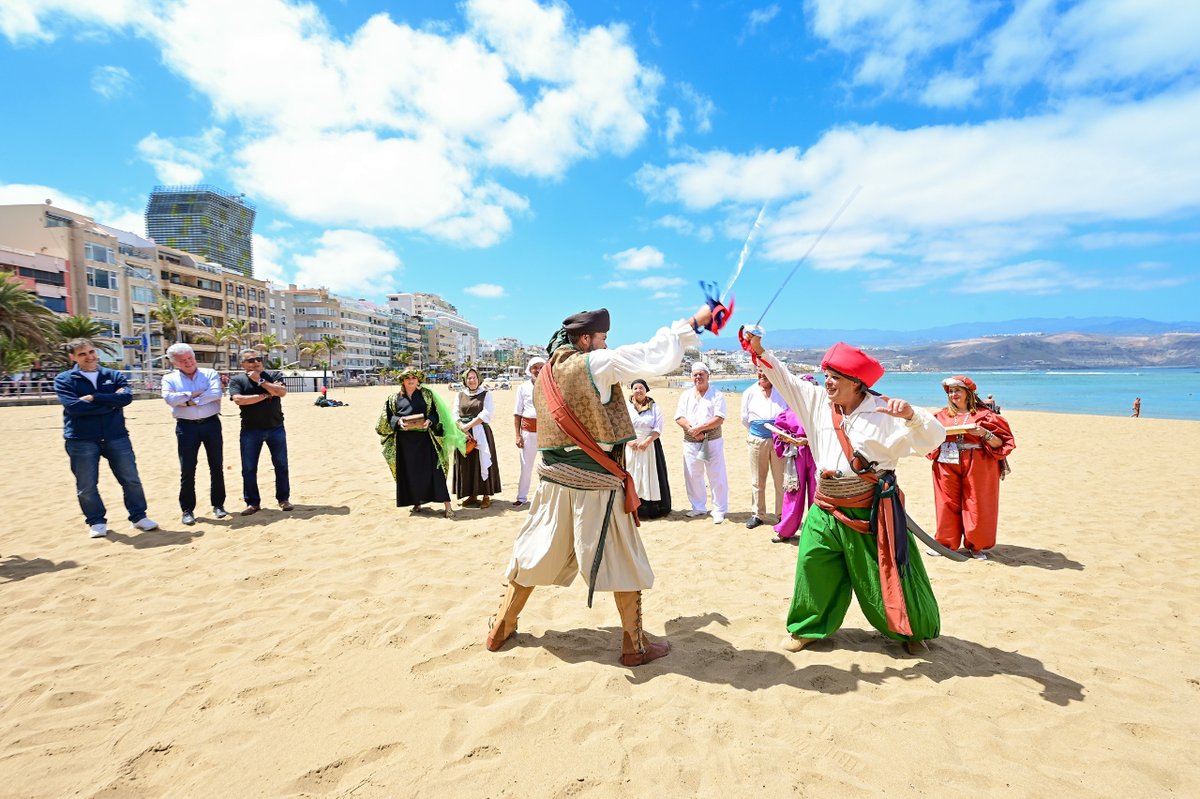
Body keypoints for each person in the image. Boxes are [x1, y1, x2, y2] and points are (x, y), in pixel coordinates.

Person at [487, 304, 714, 667]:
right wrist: (694, 323)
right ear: (586, 339)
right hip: (596, 485)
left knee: (531, 553)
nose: (607, 344)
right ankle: (634, 646)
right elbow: (653, 356)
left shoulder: (545, 372)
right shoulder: (595, 363)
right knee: (624, 560)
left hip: (552, 484)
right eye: (603, 338)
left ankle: (501, 626)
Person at [743, 333, 945, 655]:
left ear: (856, 383)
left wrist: (910, 416)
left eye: (835, 377)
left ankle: (910, 631)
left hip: (868, 511)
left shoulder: (886, 412)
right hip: (824, 507)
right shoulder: (816, 402)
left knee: (884, 573)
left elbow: (934, 438)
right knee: (813, 564)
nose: (828, 383)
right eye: (826, 376)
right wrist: (759, 351)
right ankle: (807, 628)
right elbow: (783, 377)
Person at [54, 338, 158, 538]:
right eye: (82, 354)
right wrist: (111, 402)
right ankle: (97, 521)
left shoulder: (112, 374)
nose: (89, 357)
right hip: (81, 439)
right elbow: (74, 408)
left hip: (116, 436)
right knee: (86, 485)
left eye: (91, 352)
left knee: (131, 479)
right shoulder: (65, 379)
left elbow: (126, 398)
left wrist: (94, 397)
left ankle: (138, 517)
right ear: (72, 357)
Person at [929, 375, 1016, 560]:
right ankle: (946, 544)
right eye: (950, 392)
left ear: (968, 393)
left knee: (977, 502)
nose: (953, 395)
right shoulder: (941, 416)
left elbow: (1001, 443)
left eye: (957, 390)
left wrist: (984, 433)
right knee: (946, 502)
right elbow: (927, 439)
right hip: (946, 461)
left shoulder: (986, 416)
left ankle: (976, 546)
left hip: (978, 462)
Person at [376, 368, 464, 519]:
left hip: (425, 440)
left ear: (418, 380)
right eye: (407, 378)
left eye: (413, 378)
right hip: (404, 444)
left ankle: (447, 505)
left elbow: (436, 413)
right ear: (402, 381)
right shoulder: (393, 398)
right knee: (410, 474)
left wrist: (430, 420)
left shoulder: (426, 395)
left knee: (436, 472)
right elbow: (387, 418)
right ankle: (417, 502)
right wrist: (398, 421)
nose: (411, 380)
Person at [161, 342, 227, 525]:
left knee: (216, 466)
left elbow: (215, 393)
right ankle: (187, 510)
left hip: (211, 424)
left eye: (190, 358)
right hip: (186, 427)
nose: (188, 362)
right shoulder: (169, 378)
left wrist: (186, 399)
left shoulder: (210, 373)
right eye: (183, 360)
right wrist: (197, 395)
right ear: (175, 363)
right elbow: (169, 399)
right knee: (187, 469)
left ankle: (219, 505)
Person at [228, 349, 292, 515]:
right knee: (249, 468)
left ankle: (283, 499)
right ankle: (252, 502)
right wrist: (266, 394)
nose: (256, 362)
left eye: (259, 359)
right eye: (250, 360)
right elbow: (239, 400)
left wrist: (260, 380)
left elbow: (282, 392)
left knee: (281, 465)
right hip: (250, 430)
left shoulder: (274, 375)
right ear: (242, 364)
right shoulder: (237, 380)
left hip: (276, 427)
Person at [674, 362, 729, 524]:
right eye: (695, 375)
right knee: (693, 474)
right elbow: (679, 416)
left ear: (708, 376)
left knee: (716, 475)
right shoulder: (685, 395)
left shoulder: (717, 394)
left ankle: (719, 510)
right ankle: (698, 506)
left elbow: (719, 418)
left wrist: (700, 428)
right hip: (691, 440)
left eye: (701, 374)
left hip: (712, 440)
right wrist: (692, 429)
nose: (698, 377)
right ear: (692, 377)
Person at [741, 369, 789, 529]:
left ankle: (781, 514)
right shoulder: (749, 392)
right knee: (757, 480)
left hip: (779, 440)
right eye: (760, 372)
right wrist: (759, 432)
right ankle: (758, 514)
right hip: (757, 439)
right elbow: (745, 419)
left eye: (766, 372)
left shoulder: (782, 392)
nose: (763, 375)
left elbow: (789, 414)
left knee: (780, 480)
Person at [454, 367, 501, 508]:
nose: (472, 380)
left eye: (474, 377)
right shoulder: (460, 395)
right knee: (467, 463)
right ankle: (472, 495)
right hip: (463, 433)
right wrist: (462, 427)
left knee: (483, 461)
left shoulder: (486, 394)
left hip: (481, 432)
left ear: (478, 378)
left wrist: (469, 426)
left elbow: (486, 413)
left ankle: (486, 495)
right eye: (469, 378)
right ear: (465, 380)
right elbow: (454, 413)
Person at [625, 378, 672, 519]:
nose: (638, 390)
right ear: (632, 391)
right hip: (630, 445)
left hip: (649, 445)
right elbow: (620, 425)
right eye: (635, 388)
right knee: (632, 474)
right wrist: (628, 441)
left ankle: (648, 509)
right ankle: (630, 507)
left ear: (646, 390)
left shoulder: (654, 406)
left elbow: (658, 427)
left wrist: (647, 441)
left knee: (649, 475)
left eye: (641, 388)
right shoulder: (626, 406)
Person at [770, 405, 816, 543]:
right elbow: (779, 429)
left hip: (816, 453)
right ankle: (785, 530)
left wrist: (808, 441)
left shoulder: (819, 408)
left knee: (817, 493)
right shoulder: (788, 411)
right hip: (797, 453)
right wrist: (784, 438)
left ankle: (816, 532)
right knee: (793, 492)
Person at [512, 357, 546, 507]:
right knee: (526, 466)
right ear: (529, 369)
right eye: (535, 367)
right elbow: (517, 413)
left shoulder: (550, 385)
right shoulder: (523, 387)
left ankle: (546, 498)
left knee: (548, 465)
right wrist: (517, 435)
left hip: (547, 432)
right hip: (528, 432)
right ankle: (521, 497)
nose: (538, 370)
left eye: (541, 367)